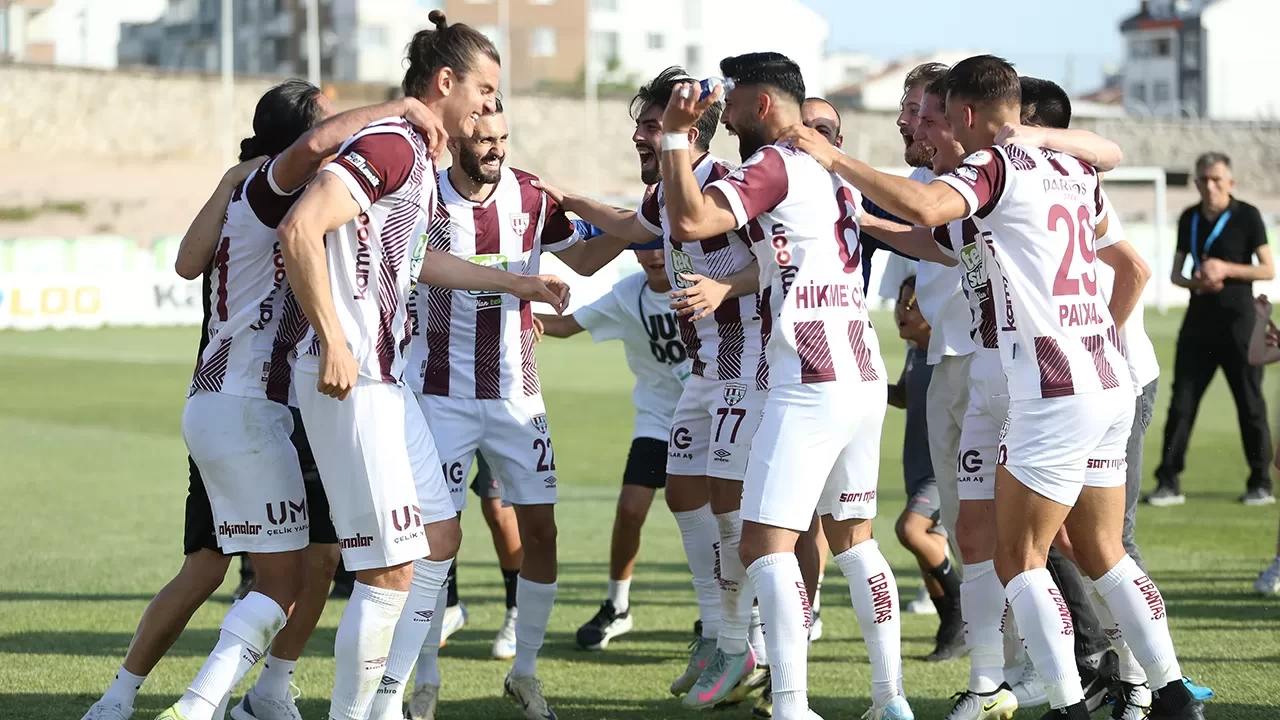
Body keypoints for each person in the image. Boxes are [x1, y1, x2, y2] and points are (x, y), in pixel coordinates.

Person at [784, 53, 1202, 720]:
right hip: (1099, 377)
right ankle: (1171, 690)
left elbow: (928, 203)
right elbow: (954, 236)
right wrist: (864, 223)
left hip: (1048, 381)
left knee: (1021, 559)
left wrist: (833, 162)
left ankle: (1068, 705)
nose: (935, 129)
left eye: (942, 116)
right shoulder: (1071, 169)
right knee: (1096, 550)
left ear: (969, 116)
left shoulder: (994, 167)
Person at [276, 12, 566, 720]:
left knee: (441, 537)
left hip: (390, 379)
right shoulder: (393, 144)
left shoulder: (415, 151)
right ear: (446, 82)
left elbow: (417, 261)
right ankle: (364, 710)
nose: (490, 105)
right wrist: (335, 340)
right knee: (387, 571)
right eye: (485, 88)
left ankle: (389, 700)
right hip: (355, 377)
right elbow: (299, 229)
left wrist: (517, 283)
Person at [138, 83, 446, 720]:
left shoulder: (252, 186)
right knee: (287, 571)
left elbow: (187, 263)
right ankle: (206, 703)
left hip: (233, 399)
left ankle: (244, 693)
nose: (341, 129)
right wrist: (398, 107)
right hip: (274, 399)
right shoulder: (285, 188)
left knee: (251, 563)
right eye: (332, 118)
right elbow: (315, 150)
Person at [660, 52, 912, 720]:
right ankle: (891, 700)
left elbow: (690, 223)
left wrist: (675, 138)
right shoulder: (834, 172)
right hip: (861, 371)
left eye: (735, 102)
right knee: (856, 541)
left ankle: (793, 705)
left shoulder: (773, 163)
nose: (729, 114)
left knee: (763, 546)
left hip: (806, 377)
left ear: (762, 105)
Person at [535, 66, 768, 709]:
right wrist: (559, 199)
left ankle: (751, 644)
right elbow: (607, 241)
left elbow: (779, 264)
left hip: (750, 366)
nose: (638, 135)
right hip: (707, 368)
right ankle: (721, 637)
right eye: (638, 123)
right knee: (685, 495)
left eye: (650, 124)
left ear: (688, 127)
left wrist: (727, 286)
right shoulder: (663, 195)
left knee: (734, 510)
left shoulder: (724, 185)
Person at [399, 96, 628, 720]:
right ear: (459, 141)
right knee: (432, 544)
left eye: (504, 138)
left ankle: (524, 675)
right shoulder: (423, 195)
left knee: (542, 531)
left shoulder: (529, 196)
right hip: (438, 395)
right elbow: (414, 267)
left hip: (515, 395)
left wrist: (621, 231)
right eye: (485, 139)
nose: (497, 148)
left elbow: (581, 256)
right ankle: (424, 680)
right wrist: (519, 283)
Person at [532, 248, 688, 650]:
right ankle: (617, 606)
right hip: (656, 420)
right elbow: (566, 326)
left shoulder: (701, 283)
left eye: (662, 244)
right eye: (645, 245)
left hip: (705, 419)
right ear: (634, 251)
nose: (654, 255)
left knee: (708, 519)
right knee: (630, 509)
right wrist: (512, 319)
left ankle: (725, 616)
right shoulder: (627, 294)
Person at [1150, 151, 1275, 506]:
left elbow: (1267, 270)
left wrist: (1226, 269)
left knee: (1250, 404)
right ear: (1195, 182)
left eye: (1217, 179)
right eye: (1203, 179)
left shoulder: (1248, 216)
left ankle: (1260, 483)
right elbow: (1176, 274)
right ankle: (1168, 482)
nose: (1210, 186)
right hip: (1199, 323)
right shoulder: (1189, 218)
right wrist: (1197, 282)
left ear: (1230, 183)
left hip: (1241, 323)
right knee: (1181, 403)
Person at [884, 271, 964, 659]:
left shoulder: (947, 356)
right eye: (901, 302)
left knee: (910, 530)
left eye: (913, 306)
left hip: (940, 468)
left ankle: (962, 607)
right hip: (915, 467)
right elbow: (902, 395)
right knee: (925, 549)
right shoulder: (916, 352)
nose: (902, 311)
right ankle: (951, 629)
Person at [434, 451, 525, 656]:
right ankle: (450, 606)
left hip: (495, 419)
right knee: (444, 505)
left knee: (498, 507)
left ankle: (517, 609)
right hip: (448, 418)